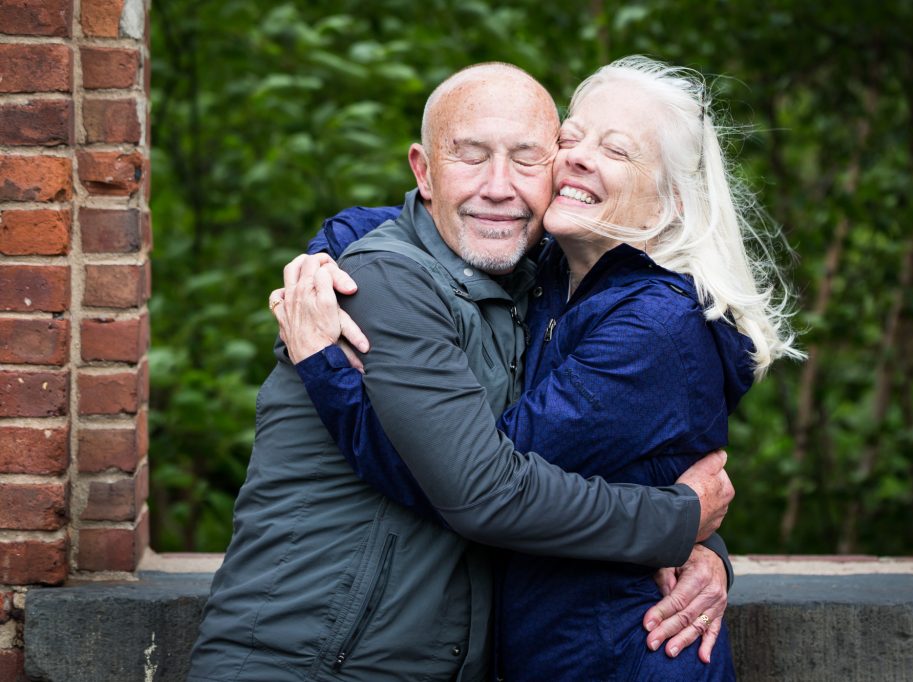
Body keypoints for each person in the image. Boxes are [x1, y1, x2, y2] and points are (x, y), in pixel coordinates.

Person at [188, 62, 735, 682]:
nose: (499, 186)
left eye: (527, 158)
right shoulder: (386, 279)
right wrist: (677, 520)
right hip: (306, 663)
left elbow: (602, 450)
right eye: (470, 157)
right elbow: (483, 492)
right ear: (423, 172)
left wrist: (701, 546)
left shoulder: (546, 286)